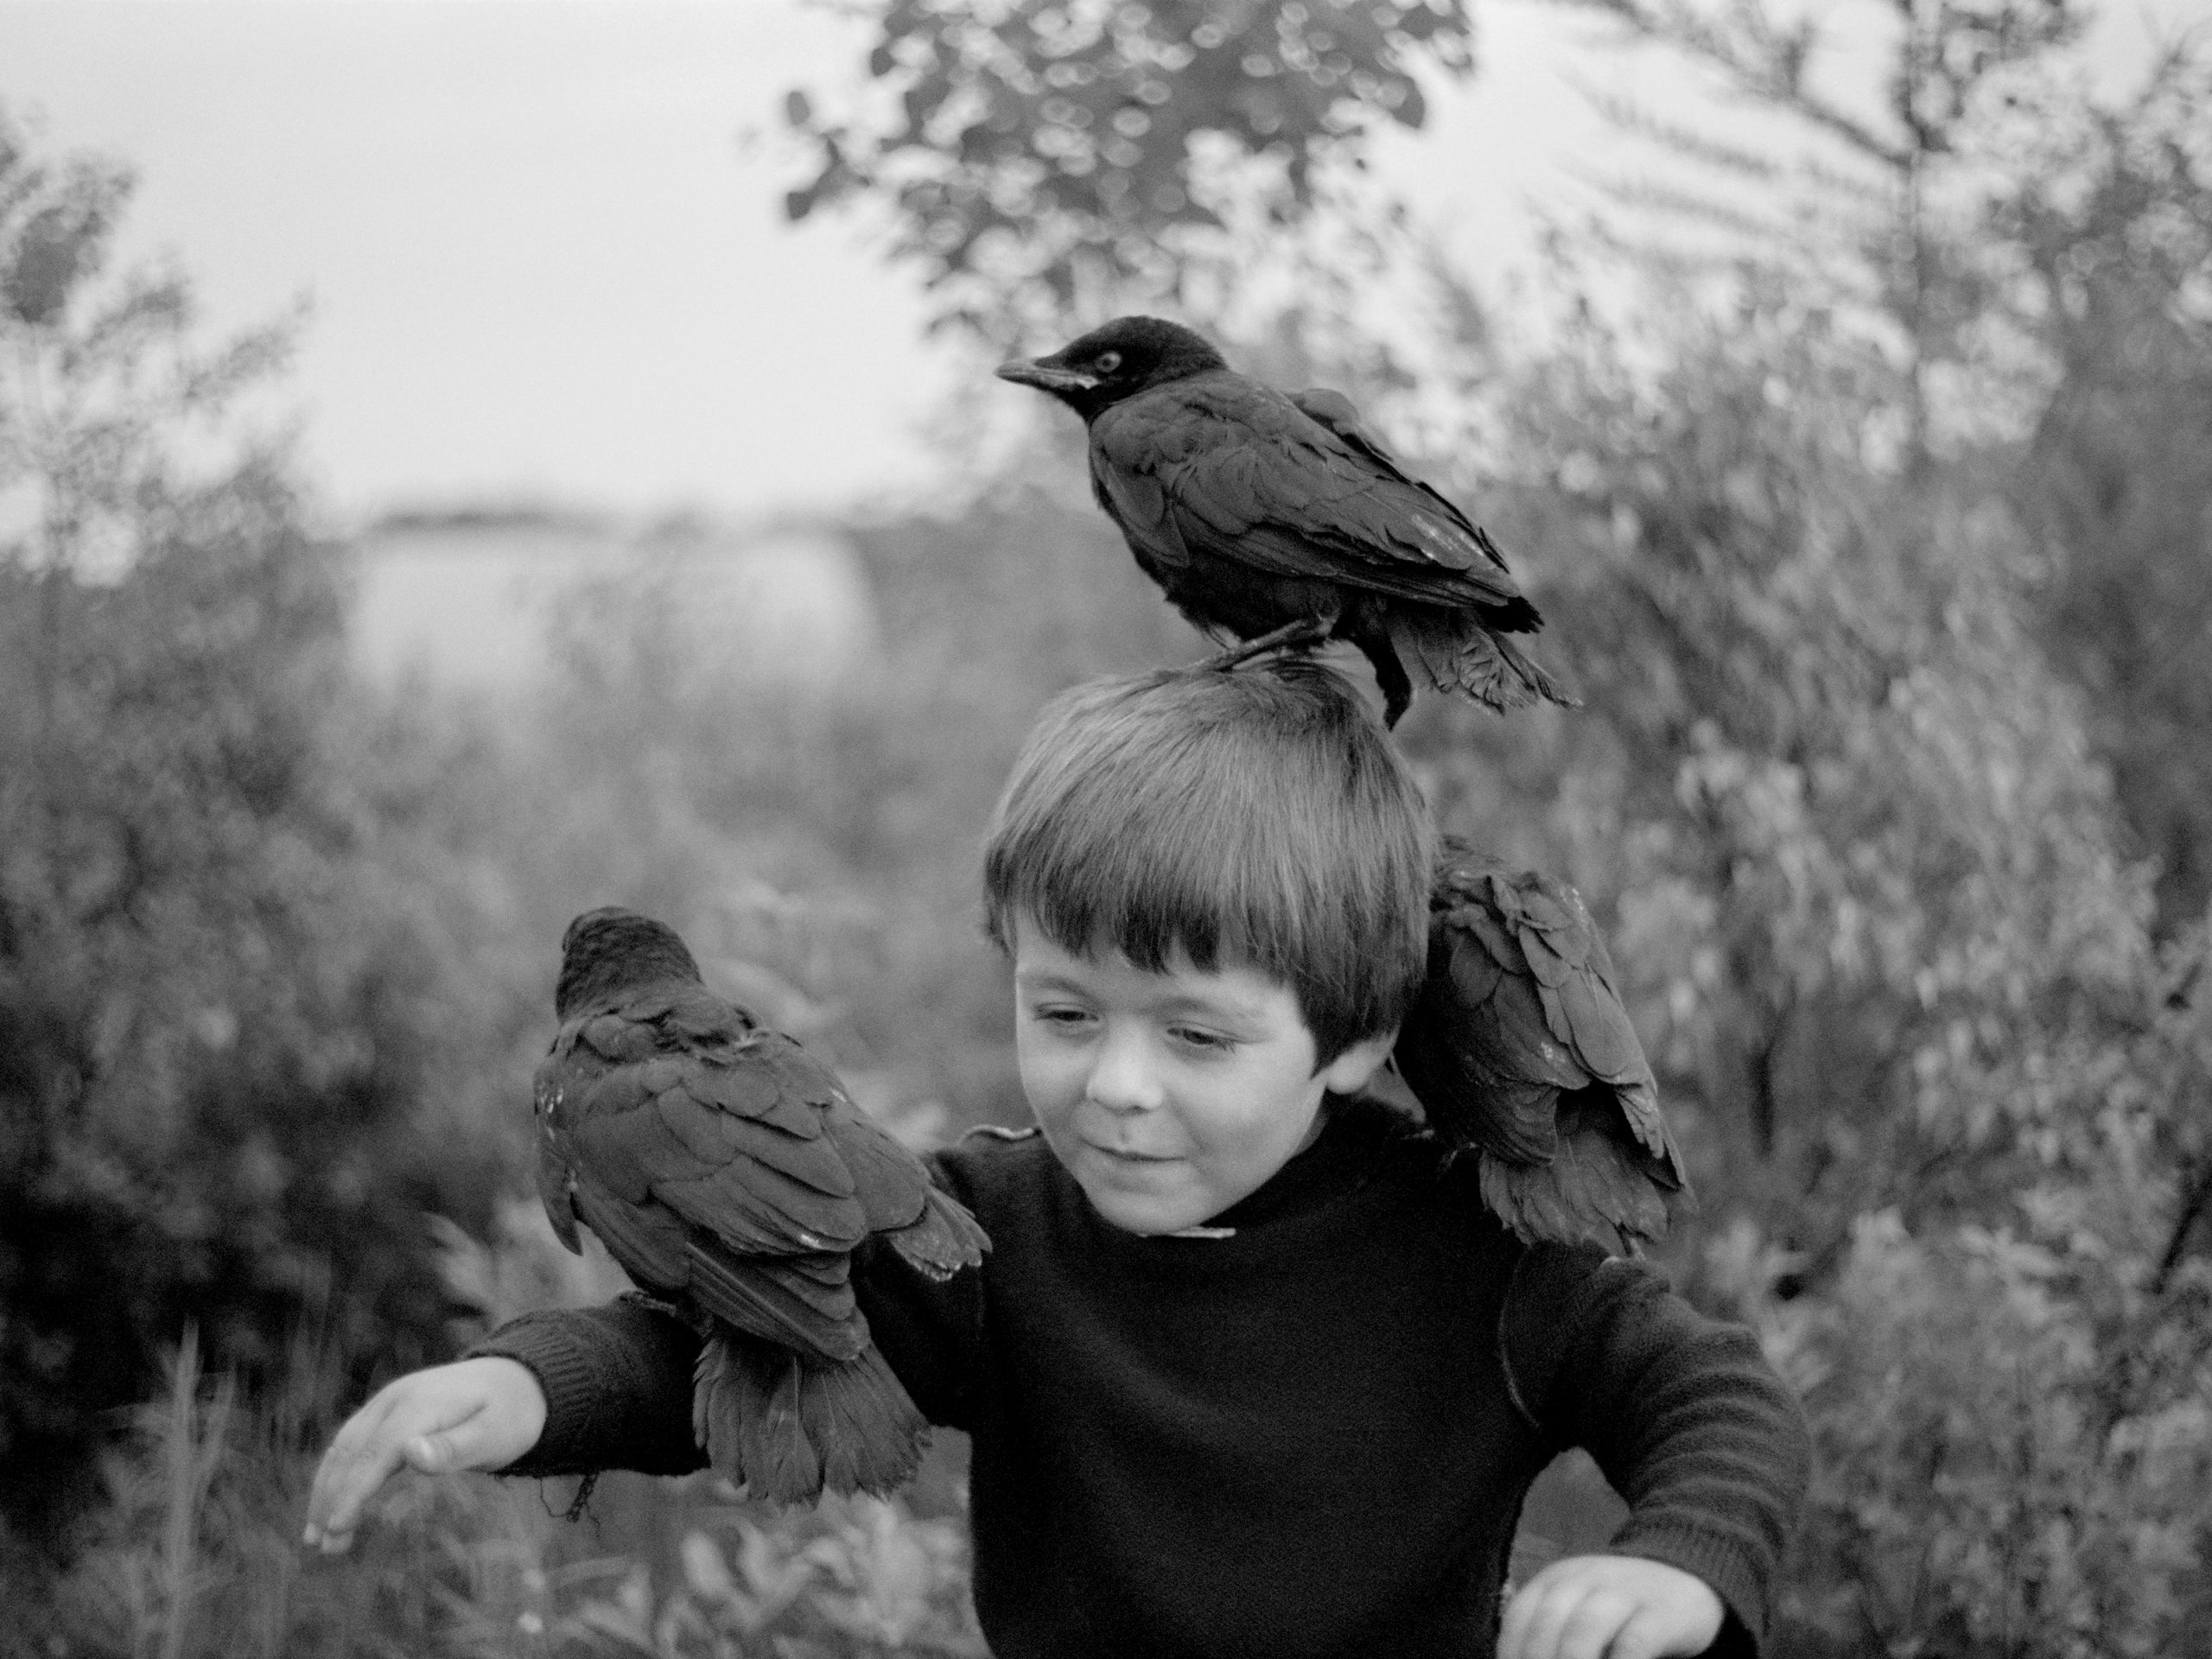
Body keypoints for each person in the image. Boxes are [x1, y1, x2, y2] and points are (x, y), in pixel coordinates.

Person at [305, 661, 1808, 1659]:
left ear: (1351, 1041)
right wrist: (520, 1388)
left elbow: (1712, 1395)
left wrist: (1676, 1562)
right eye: (1065, 1012)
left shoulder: (1472, 1252)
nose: (1119, 1088)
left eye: (1198, 1038)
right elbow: (712, 1343)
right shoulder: (993, 1232)